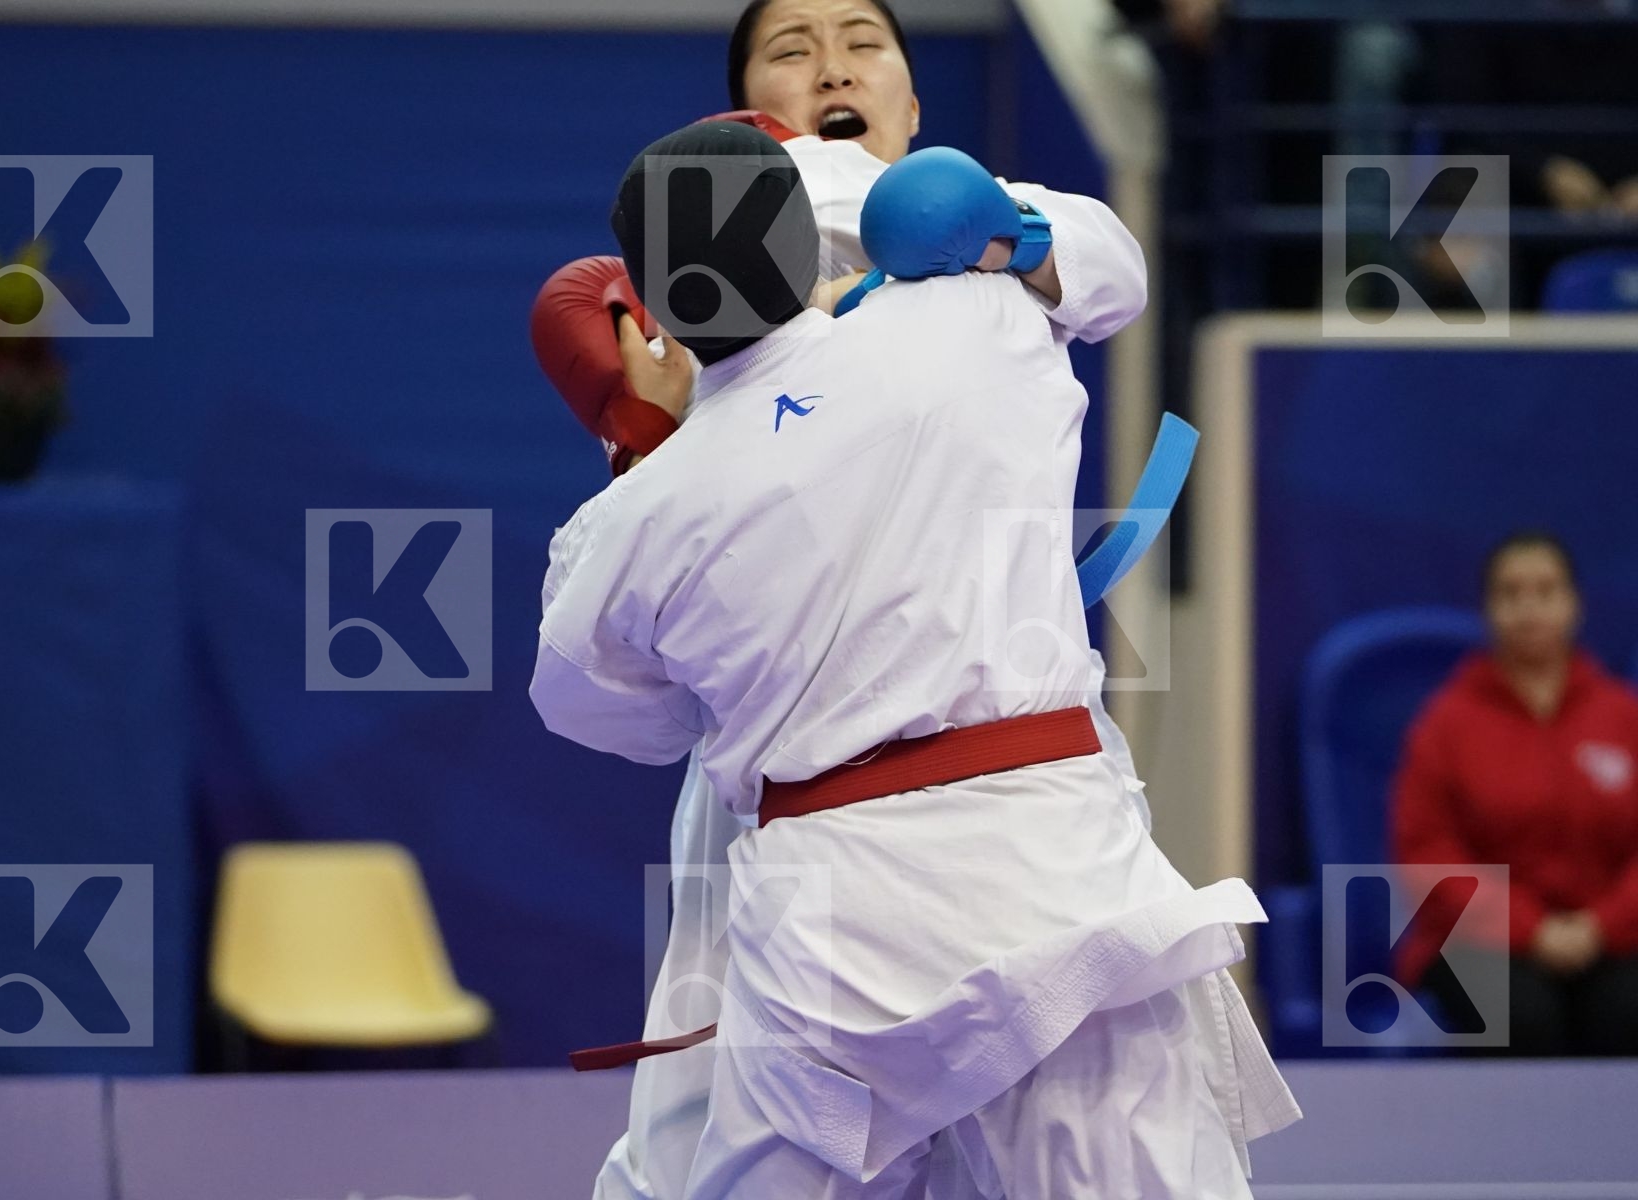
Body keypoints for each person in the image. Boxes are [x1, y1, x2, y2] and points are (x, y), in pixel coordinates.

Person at [532, 121, 1297, 1198]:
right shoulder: (968, 318)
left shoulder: (635, 519)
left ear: (650, 312)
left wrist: (645, 445)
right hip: (1053, 874)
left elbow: (622, 718)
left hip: (832, 934)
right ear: (808, 245)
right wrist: (1015, 235)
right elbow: (1112, 270)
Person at [1391, 531, 1638, 1056]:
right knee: (1522, 1019)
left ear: (1574, 604)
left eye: (1545, 591)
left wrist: (1602, 926)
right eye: (1510, 593)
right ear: (1488, 608)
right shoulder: (1447, 723)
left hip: (1613, 938)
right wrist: (1531, 929)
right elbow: (1428, 854)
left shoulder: (1623, 716)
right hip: (1476, 941)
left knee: (1626, 1012)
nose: (1528, 607)